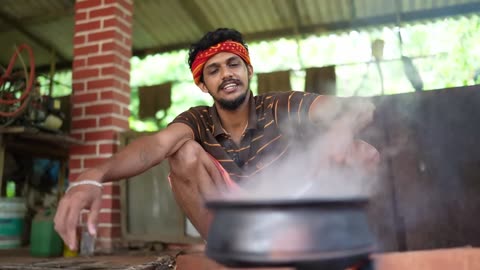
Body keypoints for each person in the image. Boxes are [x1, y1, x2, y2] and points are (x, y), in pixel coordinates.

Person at [54, 28, 379, 251]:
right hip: (234, 227)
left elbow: (357, 107)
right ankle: (228, 252)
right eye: (213, 70)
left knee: (361, 151)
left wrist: (340, 130)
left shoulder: (280, 105)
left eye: (233, 64)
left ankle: (333, 246)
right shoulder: (197, 119)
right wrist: (92, 176)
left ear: (248, 70)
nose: (226, 74)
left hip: (295, 213)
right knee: (182, 153)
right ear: (202, 85)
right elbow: (156, 145)